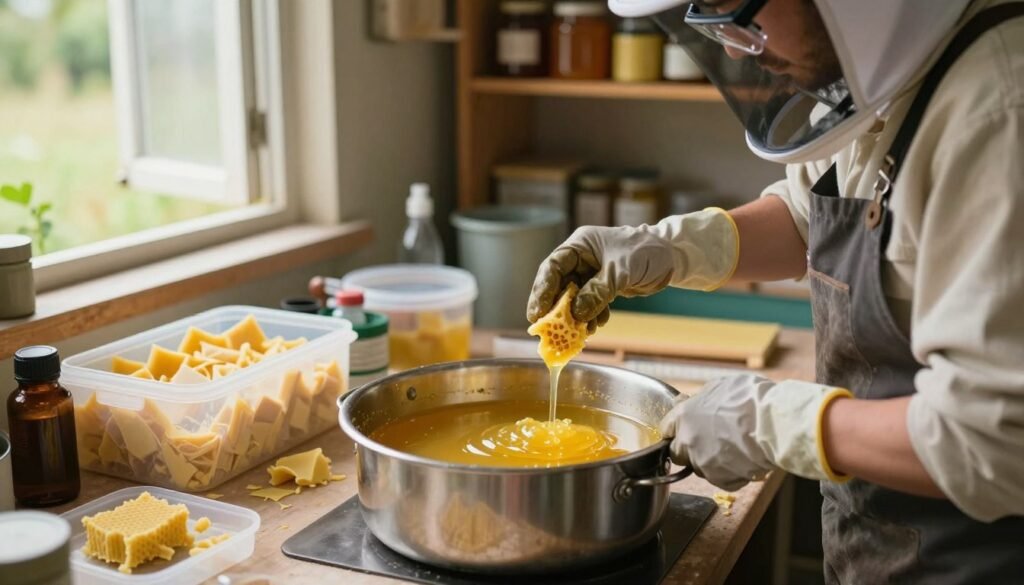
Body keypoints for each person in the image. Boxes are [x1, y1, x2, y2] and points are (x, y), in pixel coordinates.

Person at [526, 0, 1024, 582]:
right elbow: (813, 214)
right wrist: (665, 248)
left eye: (734, 6)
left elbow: (990, 441)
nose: (736, 48)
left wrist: (771, 424)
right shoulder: (888, 72)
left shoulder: (998, 110)